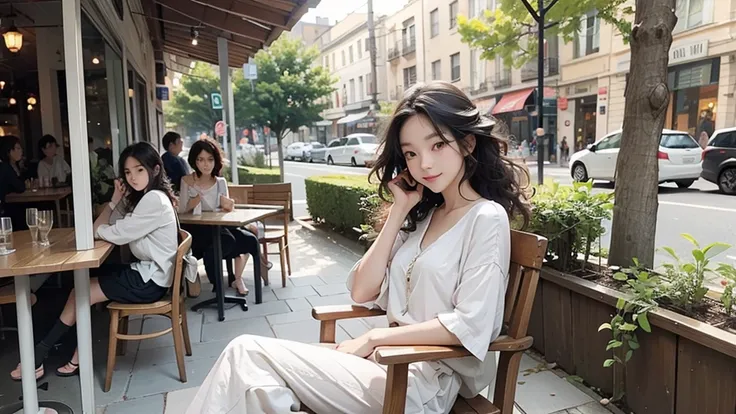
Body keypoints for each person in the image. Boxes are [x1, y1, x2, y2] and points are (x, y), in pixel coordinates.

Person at [186, 81, 531, 414]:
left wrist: (376, 339)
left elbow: (471, 324)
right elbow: (363, 290)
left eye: (437, 145)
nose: (424, 163)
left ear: (468, 143)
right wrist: (400, 210)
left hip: (421, 382)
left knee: (246, 355)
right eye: (411, 153)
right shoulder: (426, 217)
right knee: (258, 387)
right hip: (386, 367)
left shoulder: (485, 218)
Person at [10, 141, 179, 380]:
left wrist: (103, 230)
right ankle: (67, 355)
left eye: (139, 170)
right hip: (147, 273)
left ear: (155, 169)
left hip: (149, 281)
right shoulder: (146, 198)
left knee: (81, 291)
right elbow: (102, 228)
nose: (132, 177)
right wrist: (114, 200)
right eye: (128, 172)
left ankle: (39, 357)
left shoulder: (153, 200)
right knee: (80, 287)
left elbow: (112, 233)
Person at [178, 139, 262, 296]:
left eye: (210, 159)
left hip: (219, 228)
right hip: (197, 231)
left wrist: (228, 206)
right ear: (194, 161)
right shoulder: (187, 181)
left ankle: (229, 282)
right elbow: (181, 211)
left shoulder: (220, 182)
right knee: (226, 241)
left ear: (215, 161)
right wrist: (194, 196)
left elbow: (226, 212)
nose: (206, 164)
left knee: (250, 240)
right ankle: (218, 285)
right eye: (200, 159)